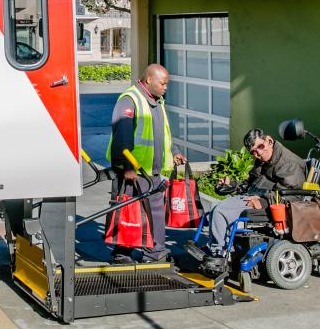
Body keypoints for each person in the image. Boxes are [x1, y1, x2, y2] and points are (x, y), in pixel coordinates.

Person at [108, 63, 185, 264]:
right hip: (137, 170)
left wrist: (174, 151)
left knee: (128, 210)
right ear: (149, 79)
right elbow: (121, 136)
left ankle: (122, 253)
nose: (166, 87)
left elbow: (163, 133)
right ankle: (155, 253)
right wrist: (127, 166)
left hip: (147, 169)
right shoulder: (130, 100)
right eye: (163, 83)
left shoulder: (156, 101)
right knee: (152, 211)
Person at [200, 128, 306, 273]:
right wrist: (231, 185)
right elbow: (250, 182)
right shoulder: (264, 159)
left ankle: (219, 253)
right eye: (253, 152)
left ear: (269, 140)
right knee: (216, 206)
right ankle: (219, 247)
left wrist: (263, 202)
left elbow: (292, 195)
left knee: (221, 211)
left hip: (268, 202)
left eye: (260, 147)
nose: (258, 153)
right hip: (254, 195)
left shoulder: (288, 163)